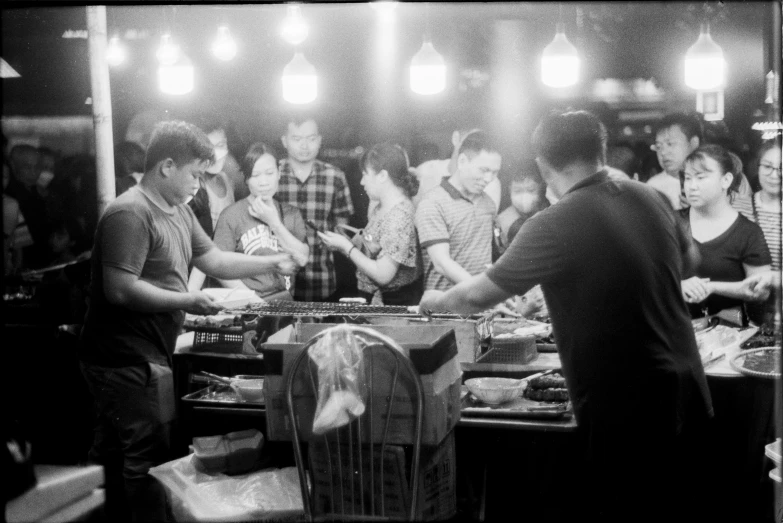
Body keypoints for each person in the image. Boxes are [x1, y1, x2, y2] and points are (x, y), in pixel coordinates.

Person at [420, 110, 713, 523]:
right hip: (688, 387)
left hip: (627, 403)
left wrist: (433, 302)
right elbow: (690, 261)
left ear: (542, 165)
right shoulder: (653, 198)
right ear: (602, 151)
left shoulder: (553, 223)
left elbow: (477, 296)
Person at [78, 121, 299, 523]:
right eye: (195, 174)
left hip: (145, 354)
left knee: (111, 453)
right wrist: (190, 301)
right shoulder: (130, 213)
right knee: (143, 457)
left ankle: (94, 517)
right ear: (166, 166)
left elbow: (212, 259)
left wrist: (272, 259)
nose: (199, 183)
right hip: (124, 357)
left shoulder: (177, 210)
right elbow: (120, 289)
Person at [318, 143, 423, 305]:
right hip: (374, 298)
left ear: (382, 176)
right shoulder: (381, 206)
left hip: (392, 304)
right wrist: (344, 244)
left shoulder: (399, 217)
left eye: (365, 174)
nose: (361, 182)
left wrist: (347, 248)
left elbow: (383, 275)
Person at [679, 144, 772, 325]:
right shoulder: (669, 222)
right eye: (688, 178)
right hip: (677, 334)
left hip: (729, 337)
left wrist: (711, 287)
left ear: (726, 180)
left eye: (700, 177)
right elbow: (647, 277)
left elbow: (761, 292)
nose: (691, 186)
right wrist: (678, 285)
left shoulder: (748, 233)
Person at [212, 142, 309, 301]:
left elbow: (302, 259)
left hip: (283, 302)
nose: (264, 182)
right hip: (246, 305)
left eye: (269, 173)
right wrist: (253, 302)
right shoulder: (231, 215)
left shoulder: (292, 214)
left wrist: (274, 222)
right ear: (247, 178)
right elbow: (220, 269)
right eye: (256, 176)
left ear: (278, 173)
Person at [276, 114, 354, 302]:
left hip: (321, 275)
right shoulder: (272, 173)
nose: (305, 146)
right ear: (284, 141)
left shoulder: (335, 176)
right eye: (297, 139)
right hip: (277, 277)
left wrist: (333, 238)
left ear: (319, 140)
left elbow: (342, 224)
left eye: (311, 139)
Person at [414, 131, 500, 292]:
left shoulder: (488, 204)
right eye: (483, 170)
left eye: (494, 172)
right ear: (461, 161)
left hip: (482, 308)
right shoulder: (432, 203)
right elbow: (441, 264)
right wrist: (482, 292)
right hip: (445, 309)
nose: (489, 179)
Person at [413, 128, 502, 211]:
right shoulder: (426, 170)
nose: (478, 149)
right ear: (456, 138)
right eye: (472, 141)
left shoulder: (491, 184)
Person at [646, 112, 702, 210]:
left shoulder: (713, 182)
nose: (663, 152)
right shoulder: (652, 188)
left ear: (693, 143)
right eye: (659, 147)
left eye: (670, 144)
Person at [496, 158, 548, 251]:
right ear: (509, 190)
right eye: (517, 191)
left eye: (531, 190)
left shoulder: (549, 211)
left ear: (541, 189)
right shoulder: (502, 221)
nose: (524, 197)